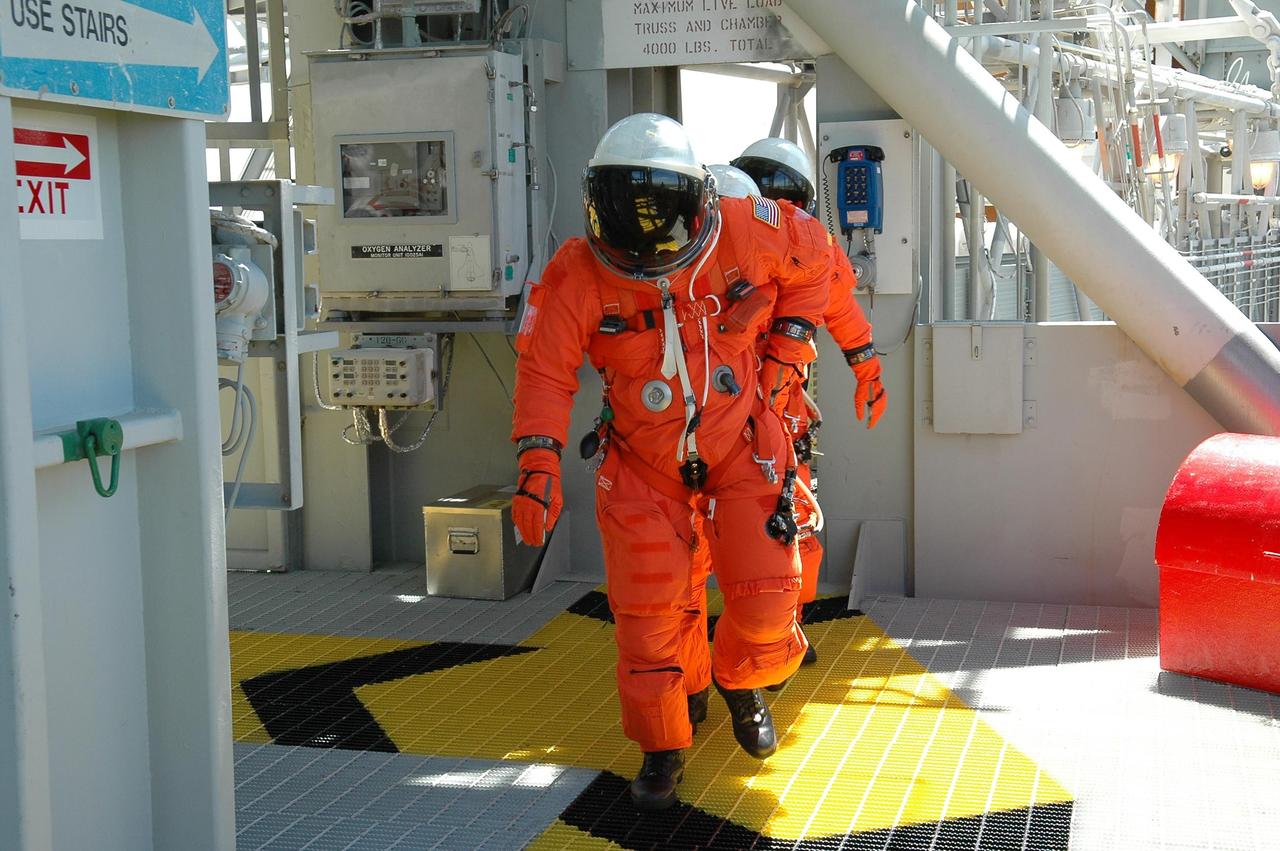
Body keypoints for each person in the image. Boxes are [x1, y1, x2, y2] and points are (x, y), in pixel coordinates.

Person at [510, 114, 833, 811]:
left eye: (662, 221)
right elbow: (545, 370)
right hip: (641, 463)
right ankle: (662, 747)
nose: (644, 241)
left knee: (770, 601)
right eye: (623, 219)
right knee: (651, 613)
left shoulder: (748, 228)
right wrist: (538, 460)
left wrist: (788, 347)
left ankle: (739, 681)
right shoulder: (577, 271)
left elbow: (819, 259)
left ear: (702, 203)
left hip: (741, 445)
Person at [732, 138, 887, 663]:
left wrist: (868, 371)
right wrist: (868, 373)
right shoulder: (812, 247)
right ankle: (780, 636)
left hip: (729, 410)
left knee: (759, 523)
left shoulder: (714, 243)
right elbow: (845, 315)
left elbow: (841, 310)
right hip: (762, 411)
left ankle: (771, 638)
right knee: (789, 521)